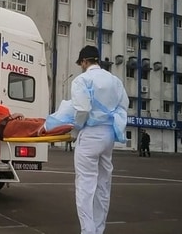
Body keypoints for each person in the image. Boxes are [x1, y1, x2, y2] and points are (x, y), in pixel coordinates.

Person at [70, 45, 129, 234]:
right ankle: (98, 229)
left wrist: (75, 131)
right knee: (103, 185)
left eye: (81, 63)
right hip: (108, 135)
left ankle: (88, 231)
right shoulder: (114, 80)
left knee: (85, 186)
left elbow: (82, 110)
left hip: (90, 134)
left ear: (85, 62)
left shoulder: (82, 80)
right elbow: (123, 106)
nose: (81, 66)